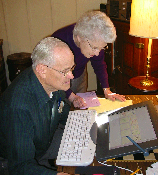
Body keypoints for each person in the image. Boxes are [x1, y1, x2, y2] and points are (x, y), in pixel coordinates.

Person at [0, 37, 75, 175]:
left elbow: (62, 112)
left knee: (93, 144)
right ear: (42, 69)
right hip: (23, 160)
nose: (71, 75)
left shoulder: (53, 83)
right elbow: (20, 165)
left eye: (72, 68)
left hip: (45, 139)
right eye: (65, 71)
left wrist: (80, 124)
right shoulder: (19, 106)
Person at [52, 10, 126, 108]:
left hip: (79, 76)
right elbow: (55, 78)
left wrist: (106, 90)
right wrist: (72, 96)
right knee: (63, 112)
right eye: (95, 48)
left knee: (80, 109)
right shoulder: (58, 42)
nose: (97, 53)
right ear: (79, 37)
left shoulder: (96, 40)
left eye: (101, 48)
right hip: (57, 81)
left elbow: (99, 64)